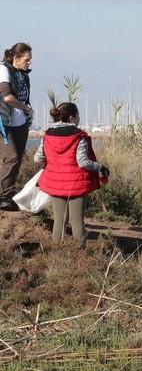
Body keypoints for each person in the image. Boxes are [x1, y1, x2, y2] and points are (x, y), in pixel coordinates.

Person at [34, 102, 109, 245]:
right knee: (77, 223)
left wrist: (53, 163)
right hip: (76, 184)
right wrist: (100, 167)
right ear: (72, 117)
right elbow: (83, 162)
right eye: (78, 115)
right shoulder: (79, 137)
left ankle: (56, 255)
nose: (79, 117)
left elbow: (37, 158)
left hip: (56, 184)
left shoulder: (47, 135)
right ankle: (80, 257)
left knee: (59, 221)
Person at [0, 42, 33, 211]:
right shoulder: (3, 70)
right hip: (3, 123)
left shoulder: (24, 75)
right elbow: (7, 97)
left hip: (20, 124)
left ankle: (9, 194)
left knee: (18, 159)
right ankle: (3, 196)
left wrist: (28, 112)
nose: (29, 62)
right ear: (16, 57)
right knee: (11, 157)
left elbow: (24, 97)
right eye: (27, 59)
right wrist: (25, 107)